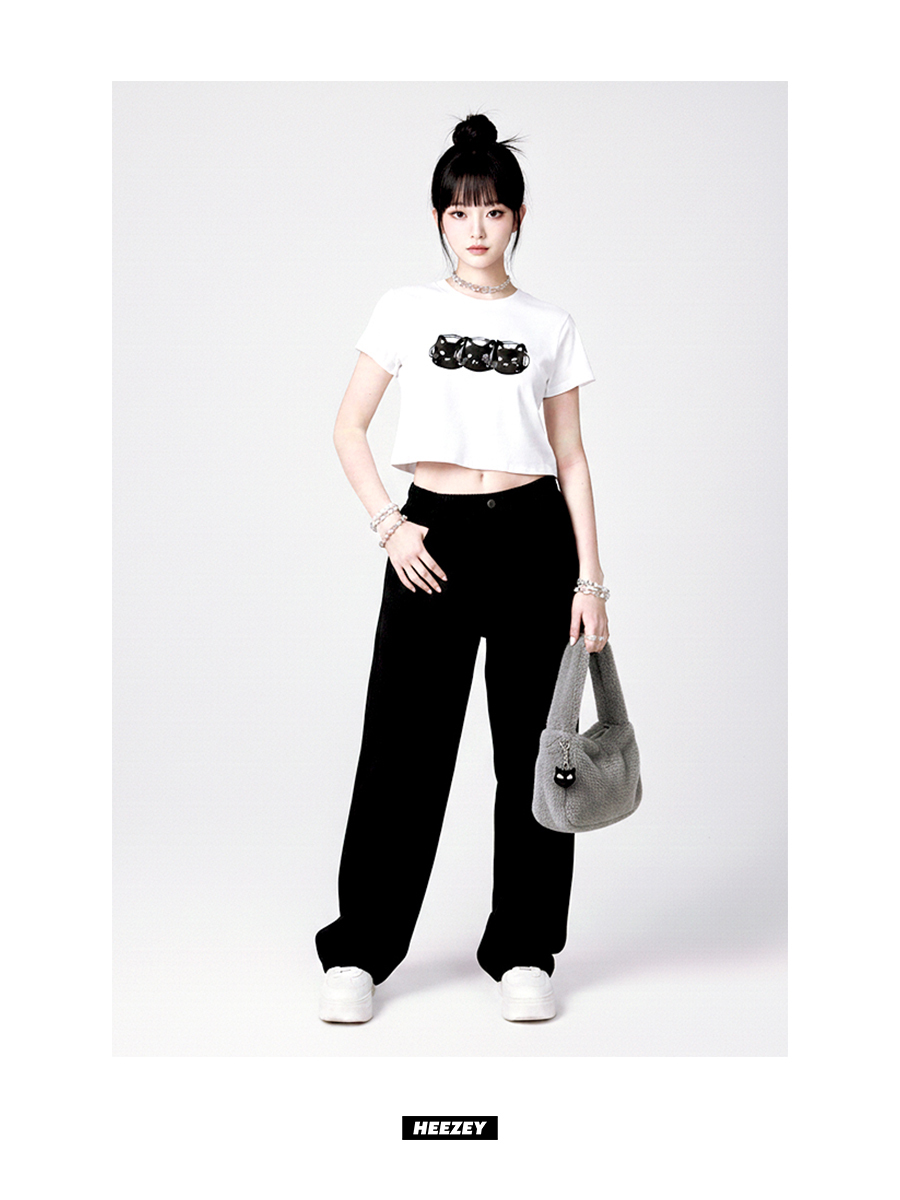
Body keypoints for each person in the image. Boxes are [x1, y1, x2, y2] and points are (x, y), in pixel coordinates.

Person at [315, 113, 609, 1023]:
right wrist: (391, 526)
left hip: (532, 539)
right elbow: (348, 427)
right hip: (432, 539)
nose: (475, 228)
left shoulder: (549, 324)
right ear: (439, 219)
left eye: (492, 211)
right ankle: (359, 950)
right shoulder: (406, 308)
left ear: (517, 217)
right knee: (402, 750)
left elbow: (572, 460)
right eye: (458, 212)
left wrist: (590, 583)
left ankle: (524, 949)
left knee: (534, 756)